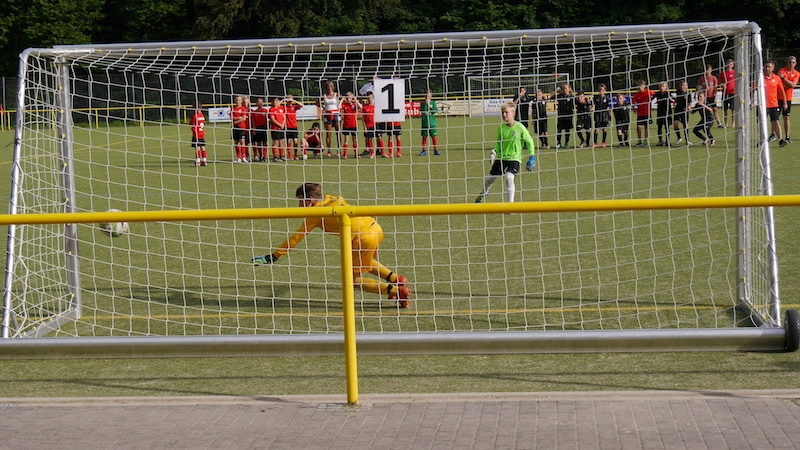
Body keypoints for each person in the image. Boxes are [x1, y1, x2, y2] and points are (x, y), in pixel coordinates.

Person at [252, 182, 412, 308]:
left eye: (301, 201)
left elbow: (296, 238)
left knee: (354, 280)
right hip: (375, 228)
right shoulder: (332, 198)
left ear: (310, 200)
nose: (299, 206)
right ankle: (397, 279)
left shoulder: (315, 214)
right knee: (363, 261)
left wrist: (274, 256)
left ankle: (398, 291)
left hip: (363, 237)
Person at [474, 101, 536, 204]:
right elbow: (499, 144)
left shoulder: (520, 127)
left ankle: (510, 206)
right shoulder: (501, 128)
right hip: (502, 158)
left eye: (506, 112)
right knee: (489, 180)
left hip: (515, 159)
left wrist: (532, 156)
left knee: (509, 177)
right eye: (502, 112)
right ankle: (483, 193)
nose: (504, 114)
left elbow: (529, 141)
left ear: (513, 113)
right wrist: (494, 152)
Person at [759, 60, 788, 146]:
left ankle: (780, 140)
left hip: (774, 104)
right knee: (762, 123)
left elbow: (782, 91)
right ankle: (762, 140)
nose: (767, 68)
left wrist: (785, 103)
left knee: (776, 121)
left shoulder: (777, 78)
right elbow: (753, 89)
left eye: (769, 67)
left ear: (773, 68)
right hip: (762, 105)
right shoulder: (760, 78)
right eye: (765, 67)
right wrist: (752, 101)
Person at [777, 56, 799, 144]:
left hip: (788, 98)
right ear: (787, 62)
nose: (791, 64)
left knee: (786, 117)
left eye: (793, 62)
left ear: (795, 63)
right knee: (775, 118)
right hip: (778, 97)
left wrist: (783, 79)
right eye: (789, 62)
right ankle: (773, 135)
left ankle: (787, 136)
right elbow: (780, 85)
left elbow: (793, 85)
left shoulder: (797, 73)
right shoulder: (781, 71)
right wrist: (788, 84)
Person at [319, 81, 341, 157]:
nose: (329, 88)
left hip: (336, 114)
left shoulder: (336, 94)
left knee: (338, 133)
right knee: (328, 134)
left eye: (331, 86)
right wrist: (323, 108)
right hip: (327, 114)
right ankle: (329, 150)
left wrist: (340, 106)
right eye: (328, 86)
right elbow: (317, 102)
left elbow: (344, 99)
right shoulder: (324, 96)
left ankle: (339, 150)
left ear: (333, 87)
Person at [339, 91, 362, 158]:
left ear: (352, 98)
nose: (348, 99)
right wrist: (342, 100)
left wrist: (355, 99)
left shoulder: (354, 105)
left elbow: (360, 107)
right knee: (346, 140)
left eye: (350, 98)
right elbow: (339, 107)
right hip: (346, 125)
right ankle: (345, 154)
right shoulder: (345, 105)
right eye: (347, 98)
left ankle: (356, 154)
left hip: (353, 125)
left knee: (355, 140)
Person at [631, 80, 654, 146]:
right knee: (638, 127)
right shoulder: (637, 94)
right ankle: (639, 140)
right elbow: (633, 102)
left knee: (646, 127)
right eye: (639, 86)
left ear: (644, 86)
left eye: (641, 86)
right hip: (640, 113)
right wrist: (634, 108)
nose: (640, 87)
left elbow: (655, 96)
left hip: (647, 113)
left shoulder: (648, 92)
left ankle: (645, 140)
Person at [284, 94, 305, 160]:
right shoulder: (284, 107)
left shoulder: (294, 106)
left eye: (291, 99)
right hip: (287, 126)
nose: (290, 100)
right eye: (288, 99)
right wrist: (284, 100)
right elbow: (278, 105)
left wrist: (294, 100)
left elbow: (302, 105)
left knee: (295, 141)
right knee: (288, 141)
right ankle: (290, 155)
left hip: (294, 126)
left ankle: (296, 155)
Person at [554, 83, 575, 149]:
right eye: (563, 89)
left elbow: (575, 102)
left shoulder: (572, 97)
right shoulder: (560, 96)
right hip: (561, 116)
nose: (564, 90)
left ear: (569, 89)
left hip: (568, 116)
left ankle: (566, 143)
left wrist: (572, 92)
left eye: (566, 88)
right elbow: (550, 97)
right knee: (559, 130)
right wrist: (556, 91)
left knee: (567, 130)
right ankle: (559, 143)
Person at [419, 90, 440, 156]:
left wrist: (429, 105)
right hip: (425, 123)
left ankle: (435, 150)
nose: (427, 96)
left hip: (432, 123)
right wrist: (426, 104)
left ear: (431, 96)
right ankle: (424, 150)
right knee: (424, 137)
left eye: (428, 95)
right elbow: (422, 112)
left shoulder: (433, 102)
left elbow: (434, 111)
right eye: (426, 95)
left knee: (434, 137)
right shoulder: (422, 104)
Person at [231, 95, 250, 163]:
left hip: (241, 127)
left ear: (241, 101)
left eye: (239, 100)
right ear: (234, 101)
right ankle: (238, 157)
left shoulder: (243, 108)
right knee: (236, 142)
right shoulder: (232, 108)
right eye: (236, 100)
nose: (237, 101)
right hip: (234, 127)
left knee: (242, 142)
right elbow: (232, 118)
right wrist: (239, 117)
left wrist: (236, 121)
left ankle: (244, 157)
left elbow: (244, 118)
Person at [653, 81, 673, 146]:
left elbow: (674, 99)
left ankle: (667, 141)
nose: (662, 88)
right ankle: (660, 140)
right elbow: (651, 98)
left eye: (663, 86)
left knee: (667, 127)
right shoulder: (657, 94)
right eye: (660, 86)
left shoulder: (668, 94)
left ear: (666, 87)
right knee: (659, 127)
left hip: (667, 113)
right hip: (660, 113)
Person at [672, 81, 692, 145]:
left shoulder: (688, 94)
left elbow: (690, 103)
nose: (682, 86)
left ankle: (687, 140)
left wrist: (688, 107)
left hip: (684, 111)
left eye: (683, 85)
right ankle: (679, 137)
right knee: (675, 124)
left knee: (685, 125)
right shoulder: (678, 91)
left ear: (686, 86)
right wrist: (674, 103)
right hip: (677, 110)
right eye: (681, 85)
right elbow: (676, 99)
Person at [592, 84, 611, 148]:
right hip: (598, 115)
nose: (601, 91)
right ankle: (595, 143)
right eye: (600, 90)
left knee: (604, 129)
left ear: (605, 90)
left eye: (602, 90)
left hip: (604, 115)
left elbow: (608, 107)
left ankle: (603, 142)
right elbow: (592, 105)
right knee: (596, 130)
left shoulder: (607, 98)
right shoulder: (595, 97)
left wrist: (609, 115)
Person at [268, 96, 287, 161]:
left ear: (278, 101)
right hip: (275, 128)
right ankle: (275, 157)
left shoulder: (281, 108)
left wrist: (283, 125)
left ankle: (282, 156)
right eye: (273, 101)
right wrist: (280, 125)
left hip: (282, 127)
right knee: (275, 142)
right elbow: (273, 119)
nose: (275, 102)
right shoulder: (271, 109)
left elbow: (284, 117)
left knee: (282, 141)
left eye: (276, 101)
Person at [188, 102, 207, 166]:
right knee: (203, 147)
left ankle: (198, 162)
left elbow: (191, 123)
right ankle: (204, 161)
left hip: (196, 134)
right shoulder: (202, 115)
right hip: (202, 133)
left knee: (197, 148)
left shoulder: (195, 116)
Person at [250, 97, 269, 161]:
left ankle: (265, 156)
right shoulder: (254, 112)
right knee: (259, 143)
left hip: (264, 128)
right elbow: (253, 122)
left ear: (263, 103)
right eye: (258, 102)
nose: (259, 103)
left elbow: (269, 119)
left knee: (265, 143)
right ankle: (261, 155)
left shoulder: (265, 111)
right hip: (257, 128)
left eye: (261, 102)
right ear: (256, 103)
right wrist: (254, 129)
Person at [360, 92, 378, 158]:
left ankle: (382, 152)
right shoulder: (365, 107)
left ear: (373, 98)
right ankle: (371, 152)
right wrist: (365, 127)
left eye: (371, 97)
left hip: (375, 125)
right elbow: (363, 118)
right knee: (369, 139)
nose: (370, 99)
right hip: (368, 126)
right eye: (368, 98)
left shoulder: (376, 107)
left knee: (379, 138)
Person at [720, 59, 736, 129]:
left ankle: (733, 123)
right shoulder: (723, 73)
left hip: (732, 93)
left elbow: (738, 81)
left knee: (733, 109)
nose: (729, 65)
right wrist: (722, 84)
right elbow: (720, 82)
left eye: (731, 64)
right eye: (728, 64)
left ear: (733, 65)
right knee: (725, 110)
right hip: (724, 93)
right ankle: (726, 123)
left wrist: (735, 87)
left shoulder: (734, 73)